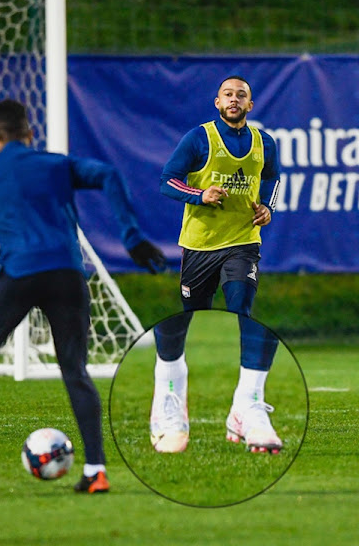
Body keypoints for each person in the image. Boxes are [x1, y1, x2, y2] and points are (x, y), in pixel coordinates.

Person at [0, 99, 165, 492]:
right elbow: (108, 175)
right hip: (67, 275)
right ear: (29, 133)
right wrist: (131, 236)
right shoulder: (56, 165)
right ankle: (96, 472)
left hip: (18, 274)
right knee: (75, 371)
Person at [151, 76, 282, 454]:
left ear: (250, 105)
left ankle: (247, 405)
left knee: (243, 309)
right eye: (228, 94)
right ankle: (170, 392)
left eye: (241, 95)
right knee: (186, 317)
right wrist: (199, 194)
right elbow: (166, 181)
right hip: (199, 245)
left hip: (243, 242)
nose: (234, 99)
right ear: (217, 102)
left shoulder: (264, 142)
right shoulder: (199, 138)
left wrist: (267, 207)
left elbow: (272, 177)